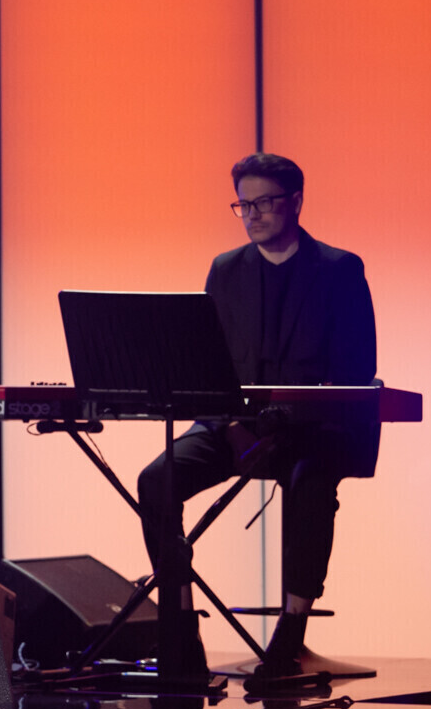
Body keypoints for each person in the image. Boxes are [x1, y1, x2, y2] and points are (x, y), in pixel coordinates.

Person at [136, 153, 377, 677]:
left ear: (296, 201)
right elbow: (205, 364)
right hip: (233, 425)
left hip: (311, 430)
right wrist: (230, 426)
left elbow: (356, 370)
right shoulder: (226, 269)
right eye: (243, 204)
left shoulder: (338, 269)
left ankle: (292, 630)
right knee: (157, 479)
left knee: (310, 482)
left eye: (264, 202)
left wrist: (288, 422)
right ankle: (181, 626)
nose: (252, 214)